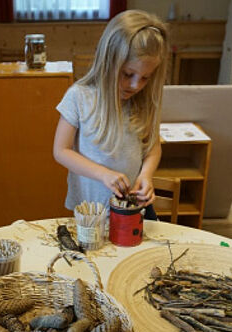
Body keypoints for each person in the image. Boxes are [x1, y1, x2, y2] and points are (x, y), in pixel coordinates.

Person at [53, 10, 169, 215]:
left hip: (132, 208)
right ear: (108, 61)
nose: (135, 85)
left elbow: (153, 148)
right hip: (90, 209)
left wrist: (146, 174)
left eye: (145, 78)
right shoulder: (79, 97)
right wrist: (103, 174)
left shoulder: (143, 102)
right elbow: (61, 151)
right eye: (128, 74)